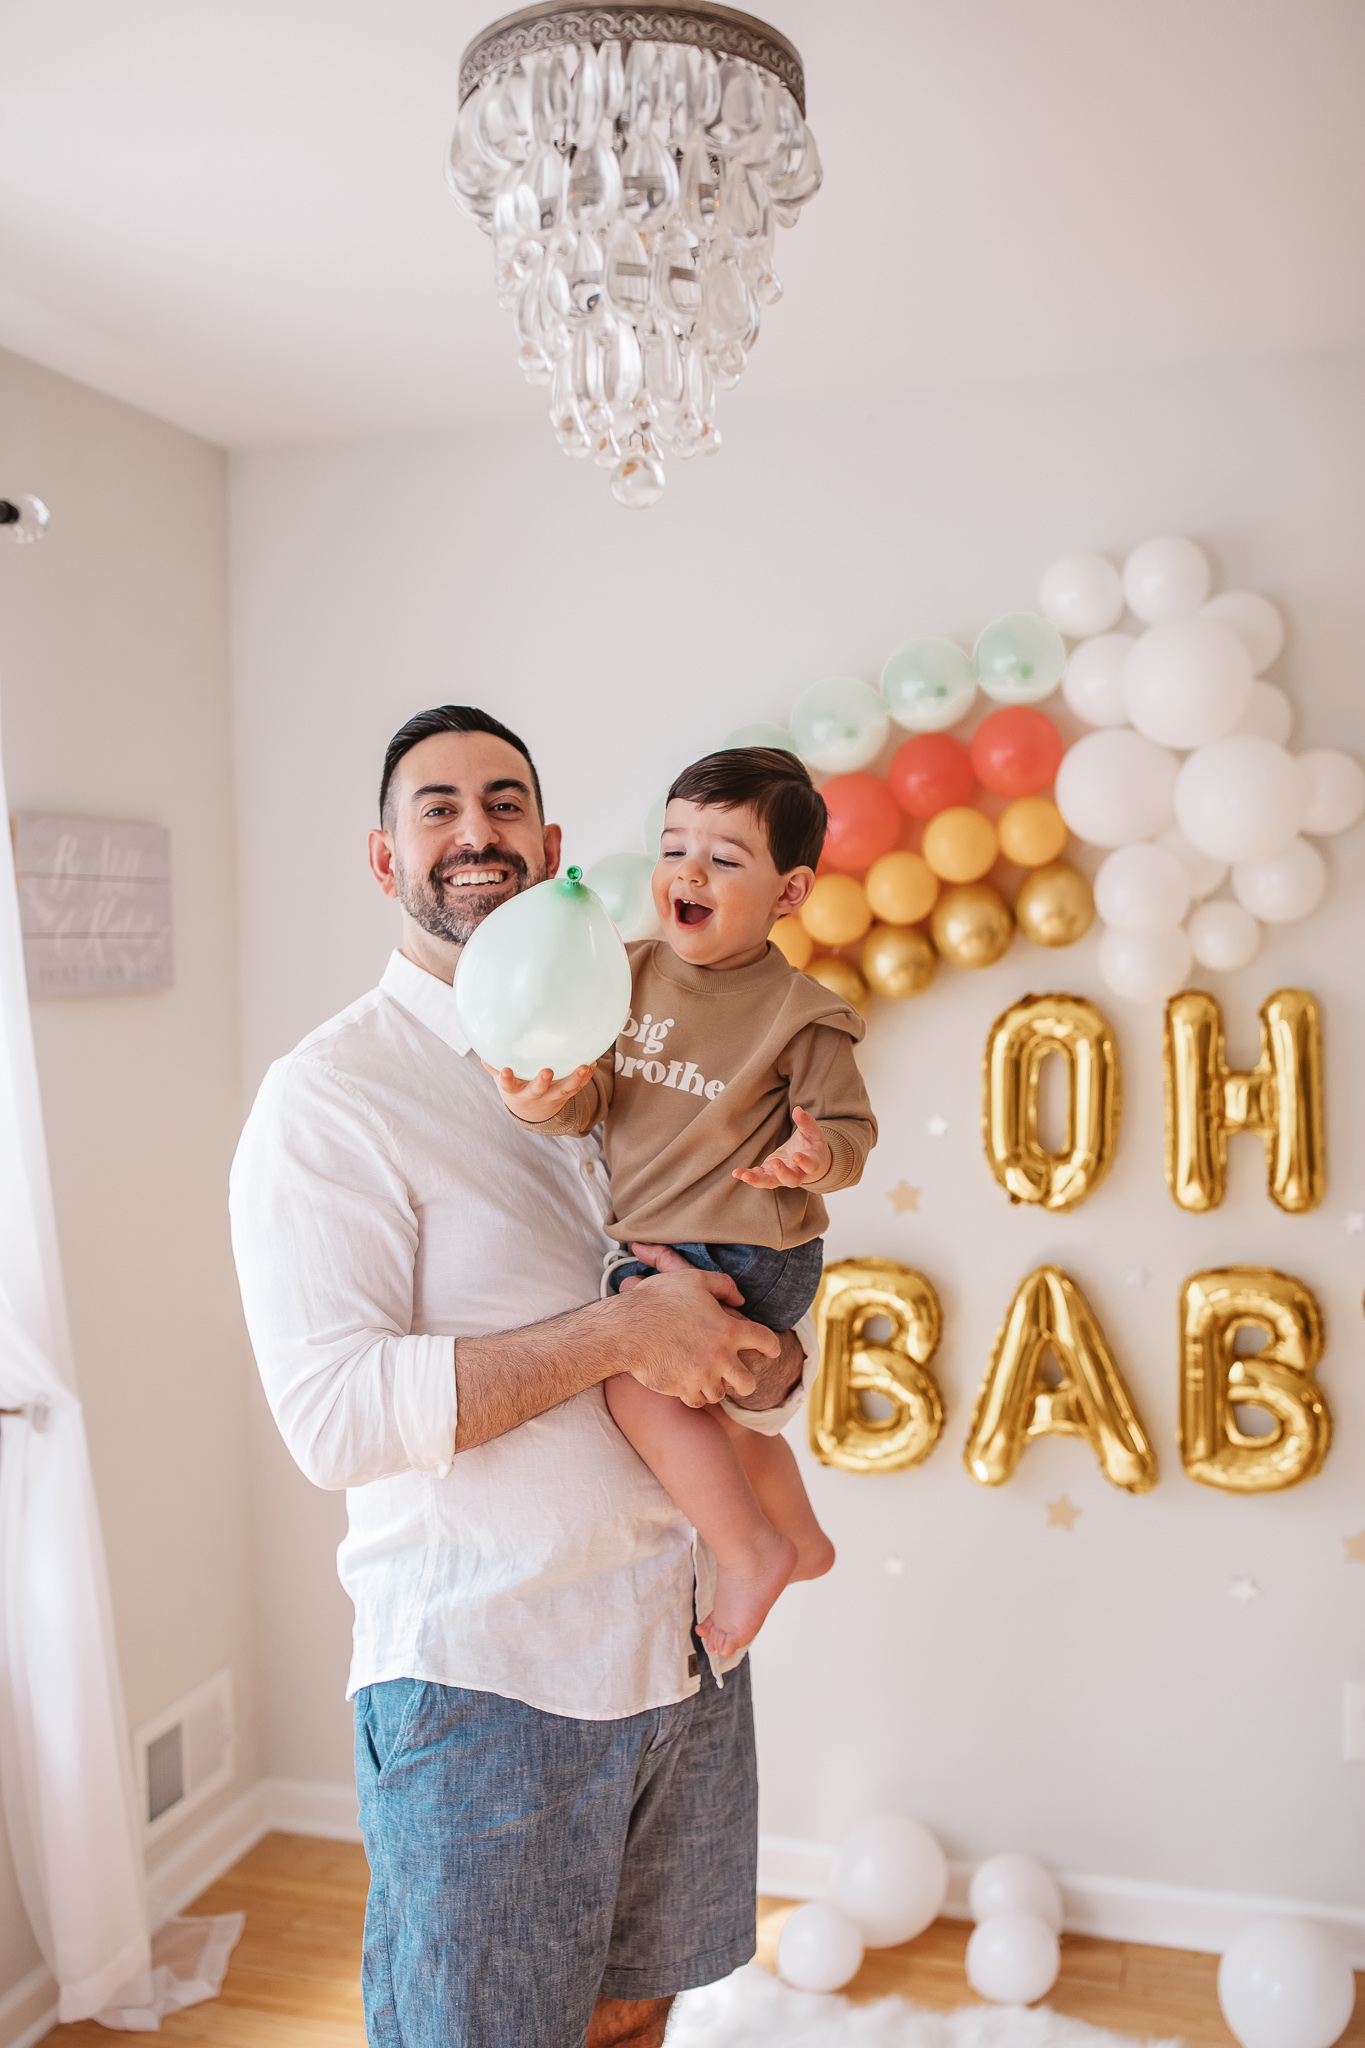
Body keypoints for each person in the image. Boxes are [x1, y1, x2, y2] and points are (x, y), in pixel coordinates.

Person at [229, 705, 817, 2048]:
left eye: (503, 806)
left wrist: (763, 1360)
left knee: (631, 2024)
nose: (475, 832)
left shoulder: (642, 1051)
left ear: (551, 850)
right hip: (488, 1684)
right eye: (436, 808)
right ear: (385, 860)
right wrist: (618, 1339)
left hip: (679, 1659)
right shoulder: (331, 1099)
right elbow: (333, 1419)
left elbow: (739, 1350)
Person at [491, 749, 876, 1658]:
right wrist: (542, 1103)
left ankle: (746, 1553)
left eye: (726, 858)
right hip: (676, 1240)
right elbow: (591, 1102)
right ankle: (796, 1534)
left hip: (746, 1245)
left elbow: (851, 1134)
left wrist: (815, 1153)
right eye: (673, 848)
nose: (689, 873)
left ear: (789, 893)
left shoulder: (799, 1013)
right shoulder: (619, 976)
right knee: (711, 1409)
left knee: (636, 1376)